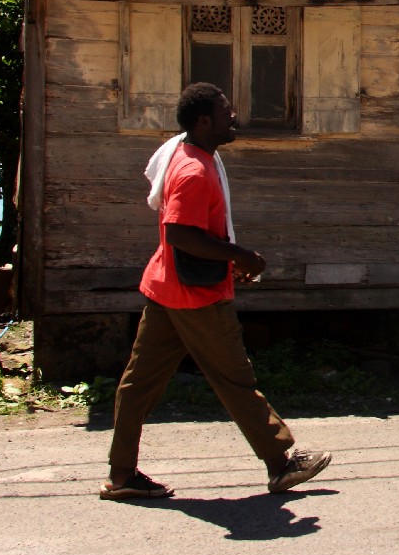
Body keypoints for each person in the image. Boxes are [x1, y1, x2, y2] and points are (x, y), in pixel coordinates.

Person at [102, 82, 332, 499]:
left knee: (138, 385)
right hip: (195, 297)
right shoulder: (194, 170)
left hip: (166, 288)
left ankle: (121, 476)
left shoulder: (188, 153)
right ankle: (280, 464)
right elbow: (180, 233)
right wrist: (240, 255)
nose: (234, 118)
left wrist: (227, 261)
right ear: (204, 121)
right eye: (226, 113)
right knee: (235, 379)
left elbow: (192, 235)